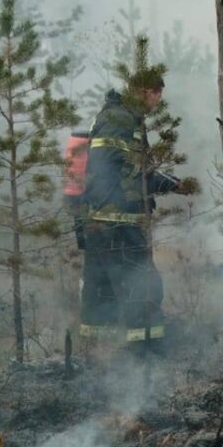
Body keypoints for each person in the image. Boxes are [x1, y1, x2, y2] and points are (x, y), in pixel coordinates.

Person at [79, 75, 196, 351]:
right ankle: (144, 354)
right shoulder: (119, 119)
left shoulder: (114, 116)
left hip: (104, 222)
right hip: (119, 223)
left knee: (103, 290)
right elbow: (121, 172)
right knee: (142, 285)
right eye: (156, 94)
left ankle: (103, 357)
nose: (158, 101)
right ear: (144, 92)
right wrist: (169, 184)